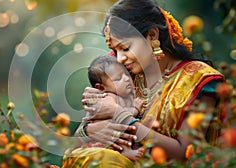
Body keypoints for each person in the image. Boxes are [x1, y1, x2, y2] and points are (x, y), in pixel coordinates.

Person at [62, 0, 225, 166]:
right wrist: (89, 130)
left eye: (125, 48)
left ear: (152, 35)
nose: (119, 58)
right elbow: (74, 148)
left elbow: (185, 153)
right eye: (116, 50)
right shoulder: (120, 75)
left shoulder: (198, 80)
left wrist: (120, 115)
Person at [78, 55, 145, 161]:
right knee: (118, 131)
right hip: (104, 141)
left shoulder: (122, 95)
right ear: (101, 88)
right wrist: (135, 109)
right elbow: (120, 116)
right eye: (118, 79)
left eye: (126, 74)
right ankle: (126, 152)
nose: (127, 79)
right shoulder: (108, 98)